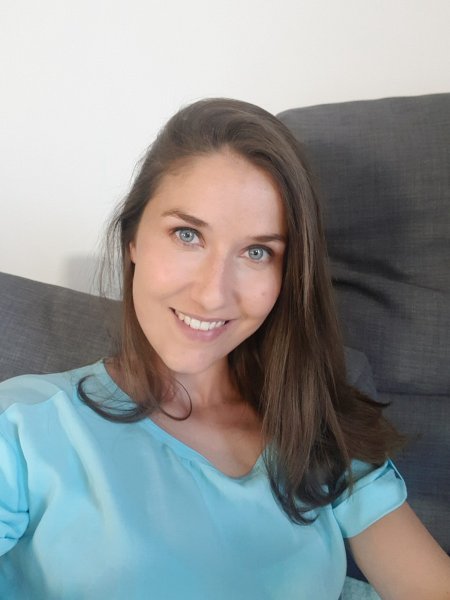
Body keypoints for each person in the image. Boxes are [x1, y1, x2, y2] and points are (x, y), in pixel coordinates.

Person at [0, 99, 449, 599]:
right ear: (133, 240)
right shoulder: (23, 428)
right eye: (187, 235)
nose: (214, 294)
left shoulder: (316, 427)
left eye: (257, 252)